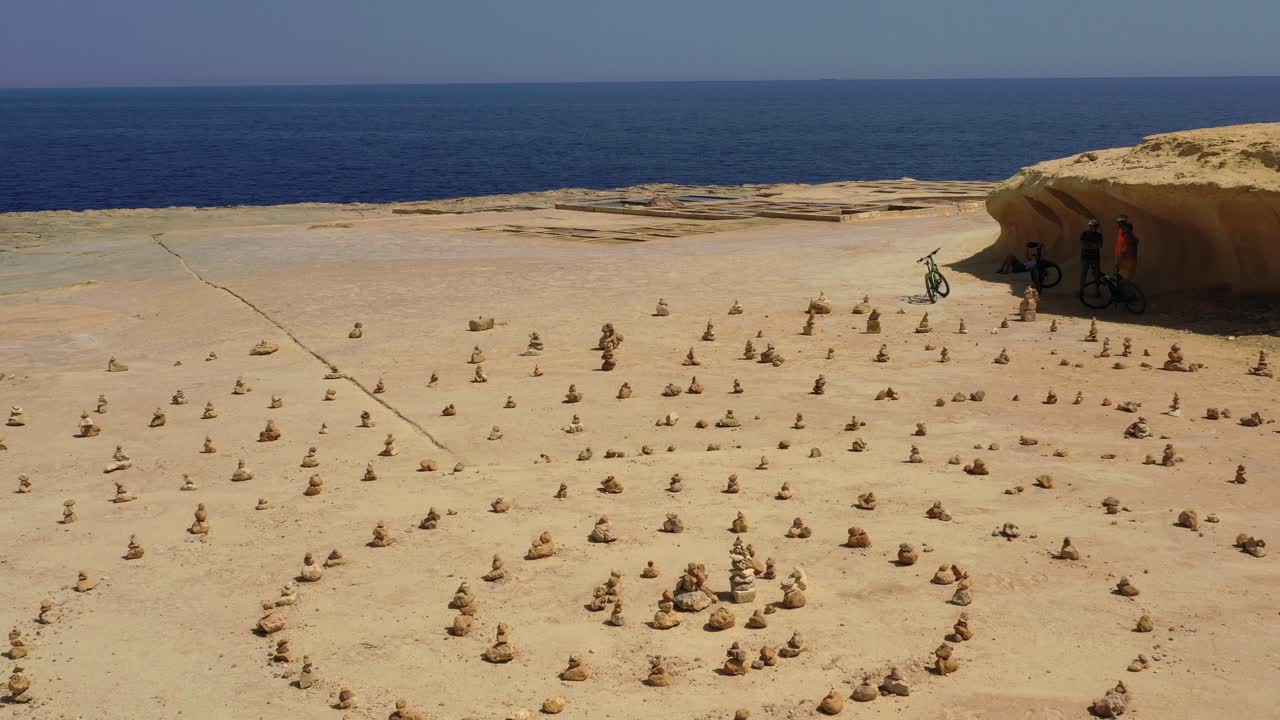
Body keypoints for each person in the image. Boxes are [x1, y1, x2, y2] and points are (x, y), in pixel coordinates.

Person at [1080, 219, 1104, 288]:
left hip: (1093, 257)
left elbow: (1100, 245)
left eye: (1096, 226)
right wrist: (1094, 245)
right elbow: (1083, 245)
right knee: (1084, 273)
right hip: (1087, 257)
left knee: (1096, 274)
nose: (1094, 227)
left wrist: (1089, 245)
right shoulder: (1085, 233)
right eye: (1093, 226)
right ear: (1090, 226)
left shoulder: (1099, 235)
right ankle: (1082, 288)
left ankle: (1097, 290)